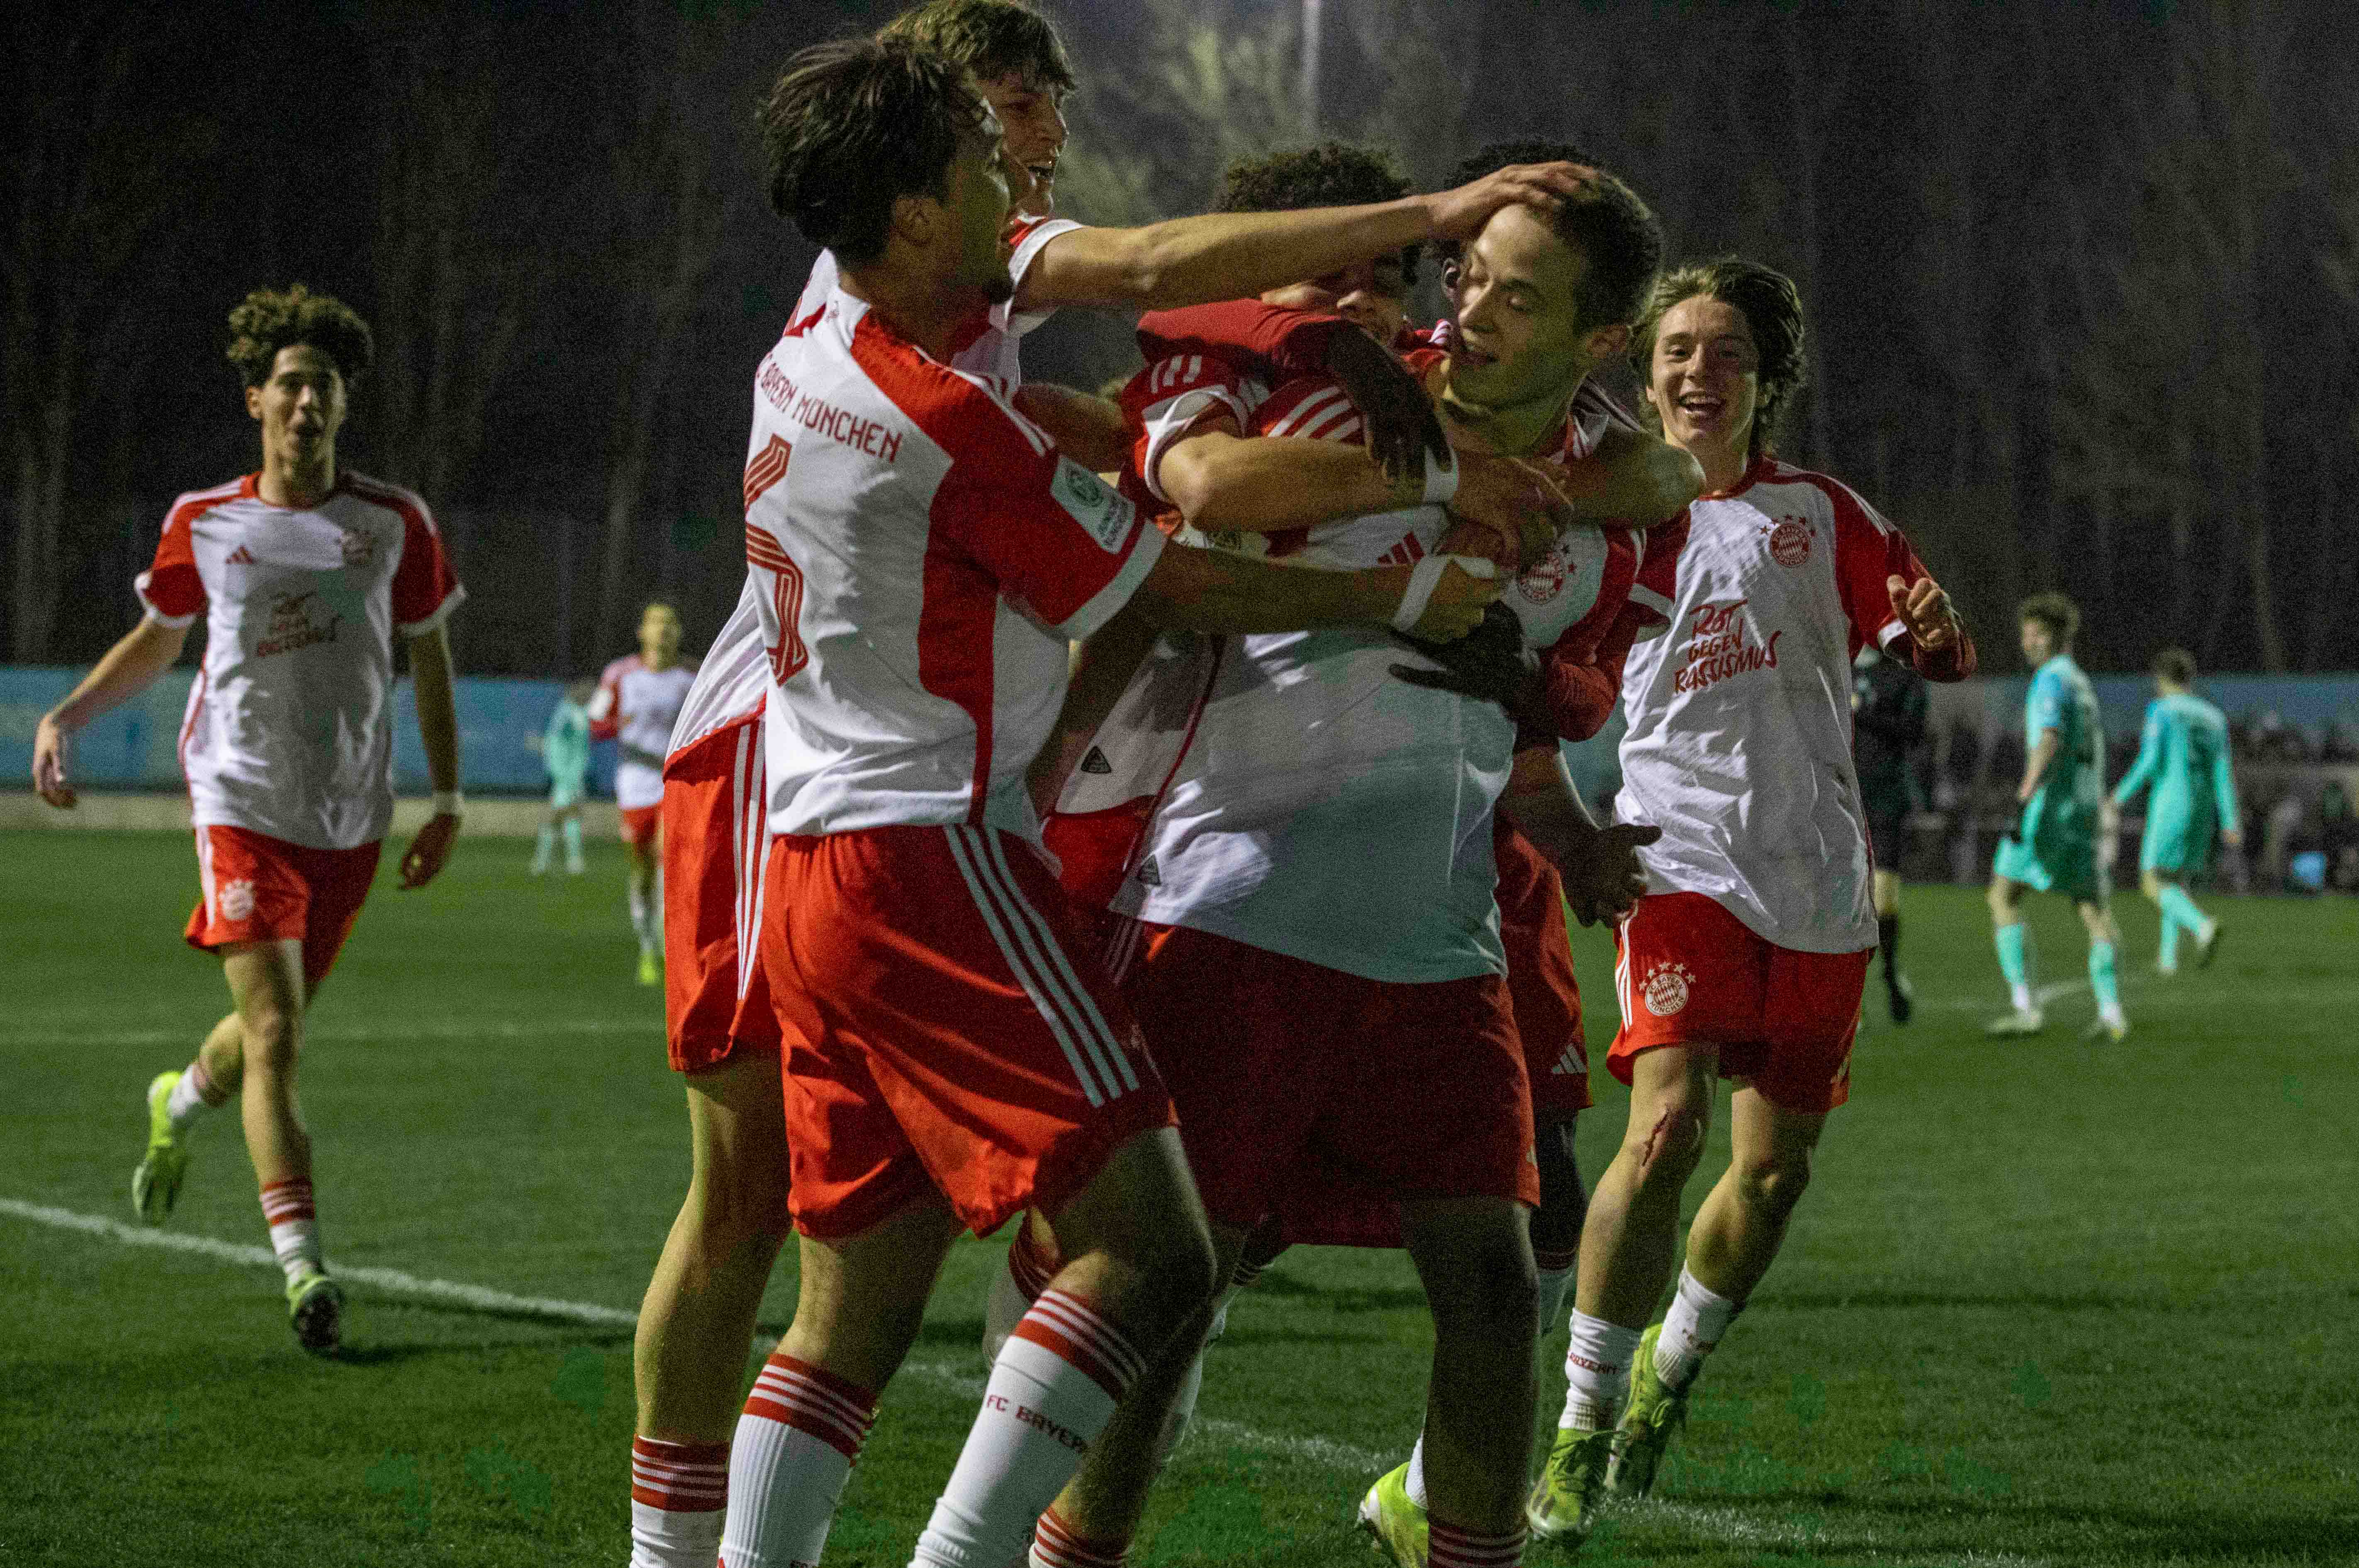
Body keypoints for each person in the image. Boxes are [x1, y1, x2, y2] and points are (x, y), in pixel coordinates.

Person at [619, 8, 1595, 1563]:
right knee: (1146, 1249)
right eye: (989, 143)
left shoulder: (813, 350)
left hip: (816, 840)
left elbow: (1146, 272)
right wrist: (1401, 582)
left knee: (850, 1298)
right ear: (919, 205)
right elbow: (1158, 575)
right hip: (918, 845)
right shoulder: (940, 421)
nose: (1027, 170)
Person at [1534, 258, 1975, 1545]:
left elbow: (1931, 648)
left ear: (1763, 378)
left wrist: (1938, 626)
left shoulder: (1822, 514)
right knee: (1660, 1128)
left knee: (1770, 1176)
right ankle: (1577, 1426)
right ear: (1646, 369)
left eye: (1723, 352)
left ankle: (1666, 1375)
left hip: (1816, 875)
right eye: (1674, 349)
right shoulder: (1613, 522)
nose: (1693, 372)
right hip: (1672, 854)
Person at [29, 284, 464, 1354]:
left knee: (270, 1028)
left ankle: (179, 1100)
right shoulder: (206, 521)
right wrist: (67, 715)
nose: (308, 402)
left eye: (325, 387)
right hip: (237, 804)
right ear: (257, 402)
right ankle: (304, 1268)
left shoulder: (392, 523)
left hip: (351, 818)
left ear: (342, 406)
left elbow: (434, 661)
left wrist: (448, 798)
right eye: (291, 385)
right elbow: (159, 636)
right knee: (278, 1034)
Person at [1984, 594, 2125, 1040]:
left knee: (2002, 897)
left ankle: (2025, 1007)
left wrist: (2024, 794)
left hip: (2050, 809)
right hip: (2086, 809)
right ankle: (2112, 1013)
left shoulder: (2049, 681)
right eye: (2025, 634)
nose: (2028, 643)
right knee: (2092, 908)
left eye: (2037, 634)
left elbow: (2048, 738)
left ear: (2058, 638)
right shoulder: (2081, 683)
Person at [2109, 648, 2240, 974]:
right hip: (2203, 807)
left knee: (2152, 881)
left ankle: (2202, 926)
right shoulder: (2214, 717)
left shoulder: (2162, 710)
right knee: (2175, 880)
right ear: (2190, 679)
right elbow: (2223, 771)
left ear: (2161, 679)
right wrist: (2230, 819)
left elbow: (2151, 761)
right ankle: (2168, 960)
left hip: (2172, 803)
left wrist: (2118, 797)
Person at [592, 602, 696, 982]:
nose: (664, 629)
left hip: (679, 784)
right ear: (642, 632)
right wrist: (618, 722)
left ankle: (673, 950)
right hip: (635, 782)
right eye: (656, 623)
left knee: (670, 862)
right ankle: (647, 947)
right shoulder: (620, 674)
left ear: (680, 632)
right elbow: (596, 724)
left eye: (671, 622)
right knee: (643, 872)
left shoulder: (693, 675)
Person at [1849, 642, 1927, 1019]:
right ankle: (1853, 1001)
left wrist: (1863, 712)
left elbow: (1913, 732)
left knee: (1884, 902)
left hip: (1885, 796)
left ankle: (1892, 973)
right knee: (1844, 899)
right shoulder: (1836, 664)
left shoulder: (1901, 674)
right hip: (1839, 796)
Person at [532, 679, 594, 875]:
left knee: (568, 814)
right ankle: (554, 862)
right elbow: (555, 742)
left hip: (571, 773)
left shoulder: (573, 712)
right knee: (563, 814)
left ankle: (551, 861)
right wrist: (561, 772)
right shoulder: (569, 713)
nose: (588, 695)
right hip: (568, 775)